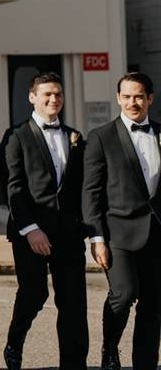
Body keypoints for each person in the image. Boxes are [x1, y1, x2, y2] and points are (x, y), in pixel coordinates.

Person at [0, 72, 87, 370]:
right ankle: (15, 340)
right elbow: (13, 187)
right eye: (47, 94)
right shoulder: (16, 136)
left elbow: (82, 188)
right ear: (32, 97)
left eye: (58, 94)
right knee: (35, 293)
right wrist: (30, 229)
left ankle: (73, 364)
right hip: (30, 231)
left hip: (69, 233)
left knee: (74, 303)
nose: (54, 100)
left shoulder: (75, 137)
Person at [83, 72, 161, 370]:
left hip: (156, 233)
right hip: (118, 233)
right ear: (118, 99)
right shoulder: (101, 136)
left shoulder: (159, 132)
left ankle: (146, 363)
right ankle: (110, 348)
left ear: (149, 99)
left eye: (139, 96)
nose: (133, 102)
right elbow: (91, 191)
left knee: (153, 305)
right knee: (124, 293)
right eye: (127, 97)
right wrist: (97, 239)